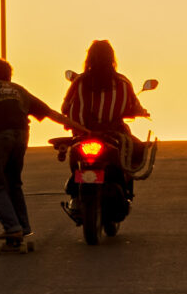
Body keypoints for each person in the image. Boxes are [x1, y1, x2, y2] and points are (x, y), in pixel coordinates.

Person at [0, 58, 84, 248]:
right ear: (9, 75)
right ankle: (23, 226)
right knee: (14, 183)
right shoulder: (19, 90)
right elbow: (51, 113)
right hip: (21, 136)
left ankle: (12, 227)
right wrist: (83, 129)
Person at [60, 40, 150, 215]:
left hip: (84, 134)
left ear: (89, 58)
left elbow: (65, 107)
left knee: (74, 156)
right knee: (136, 152)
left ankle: (76, 196)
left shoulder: (78, 82)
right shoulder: (123, 82)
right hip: (114, 134)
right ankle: (126, 192)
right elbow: (133, 106)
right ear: (112, 59)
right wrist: (141, 112)